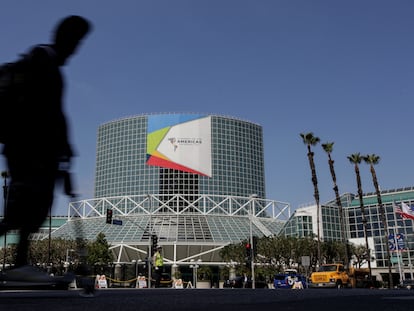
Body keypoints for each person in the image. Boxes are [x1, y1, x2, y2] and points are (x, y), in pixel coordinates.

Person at [0, 15, 92, 280]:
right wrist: (61, 147)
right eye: (75, 42)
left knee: (31, 211)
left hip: (29, 149)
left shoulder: (42, 60)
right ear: (66, 39)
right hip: (31, 150)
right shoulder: (44, 61)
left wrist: (63, 149)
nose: (76, 50)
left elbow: (54, 114)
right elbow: (50, 113)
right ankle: (19, 264)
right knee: (25, 211)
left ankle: (20, 263)